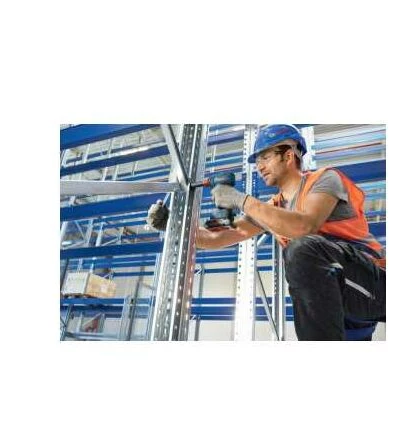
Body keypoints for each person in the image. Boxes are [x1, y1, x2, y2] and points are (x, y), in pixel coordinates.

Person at [148, 124, 386, 340]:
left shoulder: (324, 179)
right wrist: (172, 224)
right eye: (257, 160)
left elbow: (304, 226)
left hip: (373, 283)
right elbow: (216, 237)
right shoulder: (273, 208)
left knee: (302, 249)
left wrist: (242, 200)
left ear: (289, 155)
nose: (259, 166)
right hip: (347, 320)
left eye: (265, 157)